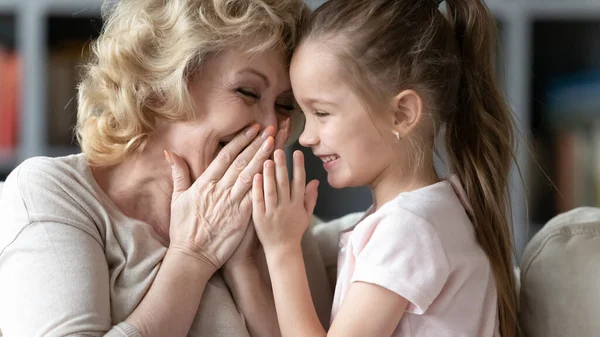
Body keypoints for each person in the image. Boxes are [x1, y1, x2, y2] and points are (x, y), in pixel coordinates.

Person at [0, 0, 316, 336]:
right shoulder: (53, 192)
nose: (271, 125)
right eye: (247, 92)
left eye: (284, 105)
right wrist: (194, 254)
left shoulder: (277, 216)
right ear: (159, 88)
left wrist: (244, 263)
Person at [250, 0, 519, 336]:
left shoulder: (408, 230)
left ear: (402, 114)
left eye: (322, 113)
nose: (306, 137)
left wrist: (282, 249)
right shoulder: (435, 213)